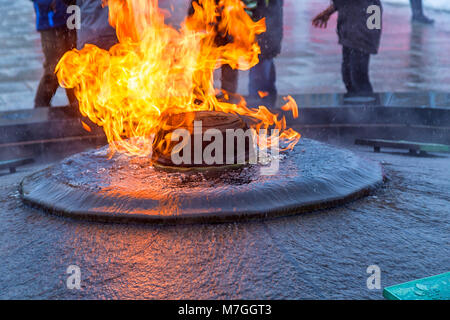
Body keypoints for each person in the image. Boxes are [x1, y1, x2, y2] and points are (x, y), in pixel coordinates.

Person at [312, 1, 382, 99]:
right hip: (351, 26)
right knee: (348, 76)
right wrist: (329, 11)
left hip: (362, 25)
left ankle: (367, 109)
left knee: (357, 77)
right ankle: (357, 108)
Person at [31, 0, 77, 108]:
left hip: (73, 17)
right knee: (54, 67)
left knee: (74, 66)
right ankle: (40, 109)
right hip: (50, 19)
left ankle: (77, 107)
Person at [246, 0, 283, 108]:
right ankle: (258, 114)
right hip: (261, 40)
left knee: (268, 83)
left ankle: (267, 113)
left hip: (270, 39)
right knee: (259, 84)